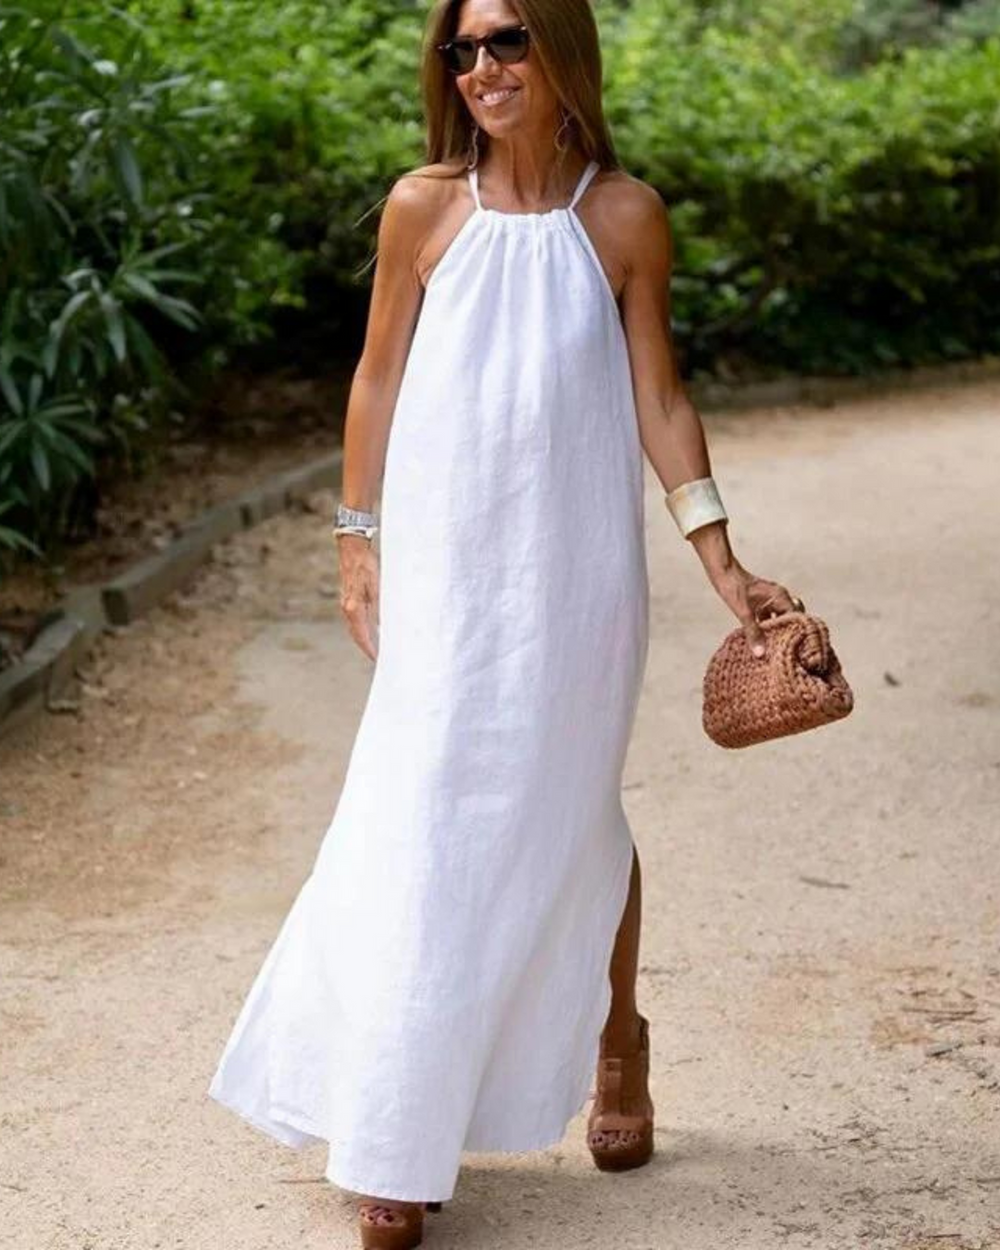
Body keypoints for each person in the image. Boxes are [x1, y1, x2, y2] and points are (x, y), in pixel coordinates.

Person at [208, 1, 800, 1246]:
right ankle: (398, 1132)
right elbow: (376, 374)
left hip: (577, 569)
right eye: (463, 48)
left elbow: (660, 396)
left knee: (572, 805)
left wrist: (721, 558)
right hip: (447, 566)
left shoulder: (624, 216)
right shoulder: (421, 208)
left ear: (563, 48)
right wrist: (355, 540)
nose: (482, 67)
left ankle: (617, 1041)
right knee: (424, 809)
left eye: (508, 40)